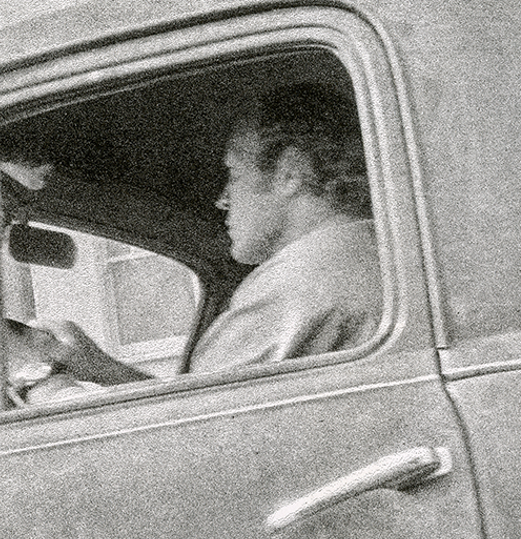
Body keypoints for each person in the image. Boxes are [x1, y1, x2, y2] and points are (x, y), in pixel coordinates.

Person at [36, 83, 383, 385]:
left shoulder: (300, 279)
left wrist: (50, 390)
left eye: (234, 173)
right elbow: (201, 405)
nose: (222, 200)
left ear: (289, 174)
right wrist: (100, 368)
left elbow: (189, 437)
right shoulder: (360, 251)